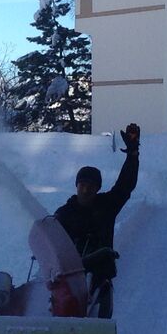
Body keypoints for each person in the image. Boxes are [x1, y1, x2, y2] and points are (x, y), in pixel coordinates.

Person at [54, 123, 140, 318]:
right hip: (69, 278)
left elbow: (125, 185)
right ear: (76, 185)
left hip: (100, 276)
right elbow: (51, 241)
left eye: (91, 186)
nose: (86, 189)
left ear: (98, 188)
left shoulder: (106, 206)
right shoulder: (64, 213)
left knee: (99, 319)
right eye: (83, 184)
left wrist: (132, 154)